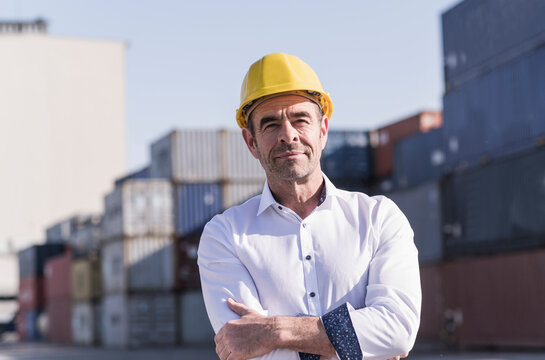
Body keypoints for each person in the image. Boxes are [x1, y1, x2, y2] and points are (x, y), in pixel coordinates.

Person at [198, 53, 421, 360]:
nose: (288, 135)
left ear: (323, 129)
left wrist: (276, 331)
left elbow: (396, 330)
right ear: (251, 142)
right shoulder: (223, 236)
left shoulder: (380, 218)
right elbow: (244, 350)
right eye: (271, 124)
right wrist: (360, 344)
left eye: (300, 119)